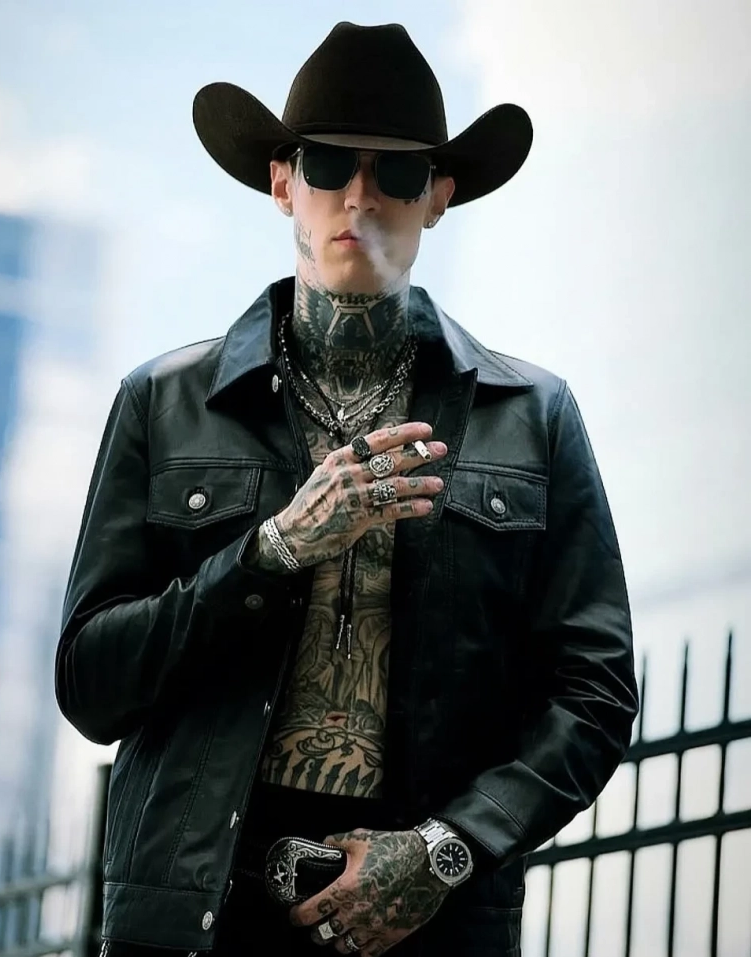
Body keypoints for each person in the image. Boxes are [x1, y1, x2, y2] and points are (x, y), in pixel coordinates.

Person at [56, 21, 638, 957]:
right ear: (283, 182)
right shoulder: (163, 404)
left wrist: (445, 850)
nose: (359, 196)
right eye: (329, 164)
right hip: (198, 921)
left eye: (397, 172)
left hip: (426, 924)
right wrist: (272, 549)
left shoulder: (533, 418)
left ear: (439, 196)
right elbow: (91, 684)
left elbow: (596, 693)